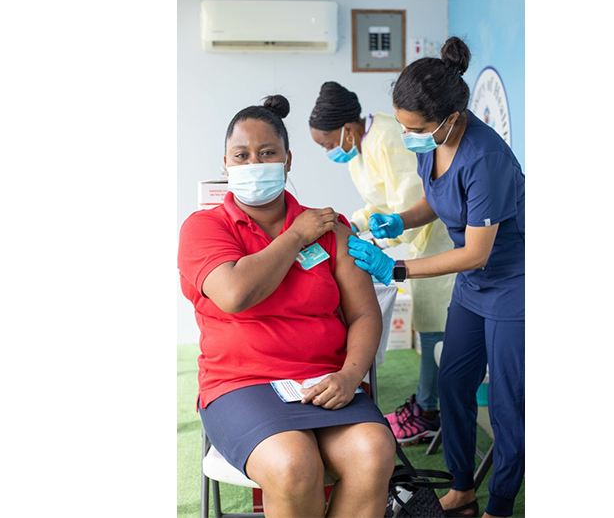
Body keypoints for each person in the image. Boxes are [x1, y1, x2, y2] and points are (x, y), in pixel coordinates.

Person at [178, 95, 395, 518]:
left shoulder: (331, 228)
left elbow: (365, 313)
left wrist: (350, 376)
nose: (253, 163)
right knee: (295, 464)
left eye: (267, 153)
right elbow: (236, 293)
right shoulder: (204, 228)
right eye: (241, 155)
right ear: (225, 164)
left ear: (288, 160)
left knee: (374, 451)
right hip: (242, 385)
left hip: (326, 381)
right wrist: (295, 236)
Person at [347, 37, 525, 518]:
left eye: (416, 129)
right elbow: (438, 199)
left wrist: (397, 266)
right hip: (474, 289)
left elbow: (475, 252)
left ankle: (501, 505)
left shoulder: (485, 158)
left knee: (508, 405)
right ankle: (463, 488)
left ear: (450, 118)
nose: (408, 137)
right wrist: (400, 220)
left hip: (512, 285)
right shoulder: (434, 143)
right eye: (403, 125)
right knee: (452, 383)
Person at [308, 81, 456, 445]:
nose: (329, 151)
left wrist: (380, 236)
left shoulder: (387, 137)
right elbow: (380, 202)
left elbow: (410, 204)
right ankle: (428, 404)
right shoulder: (359, 148)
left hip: (432, 237)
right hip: (412, 241)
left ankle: (429, 410)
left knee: (437, 327)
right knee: (429, 324)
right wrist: (355, 223)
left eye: (327, 144)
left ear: (346, 128)